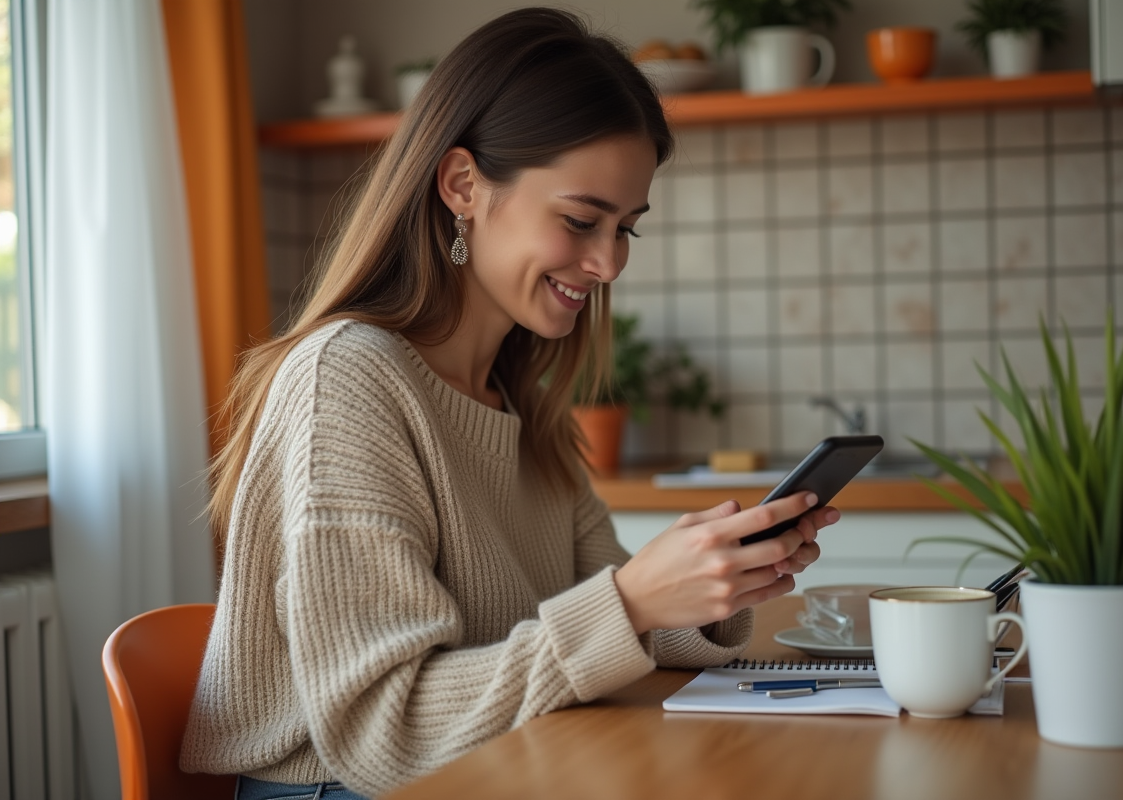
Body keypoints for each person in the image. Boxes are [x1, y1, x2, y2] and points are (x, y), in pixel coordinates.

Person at [181, 8, 838, 799]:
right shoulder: (346, 379)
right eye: (580, 220)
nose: (608, 263)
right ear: (463, 185)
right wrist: (629, 602)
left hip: (492, 767)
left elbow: (598, 623)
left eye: (626, 229)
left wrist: (708, 585)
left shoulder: (517, 401)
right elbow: (386, 730)